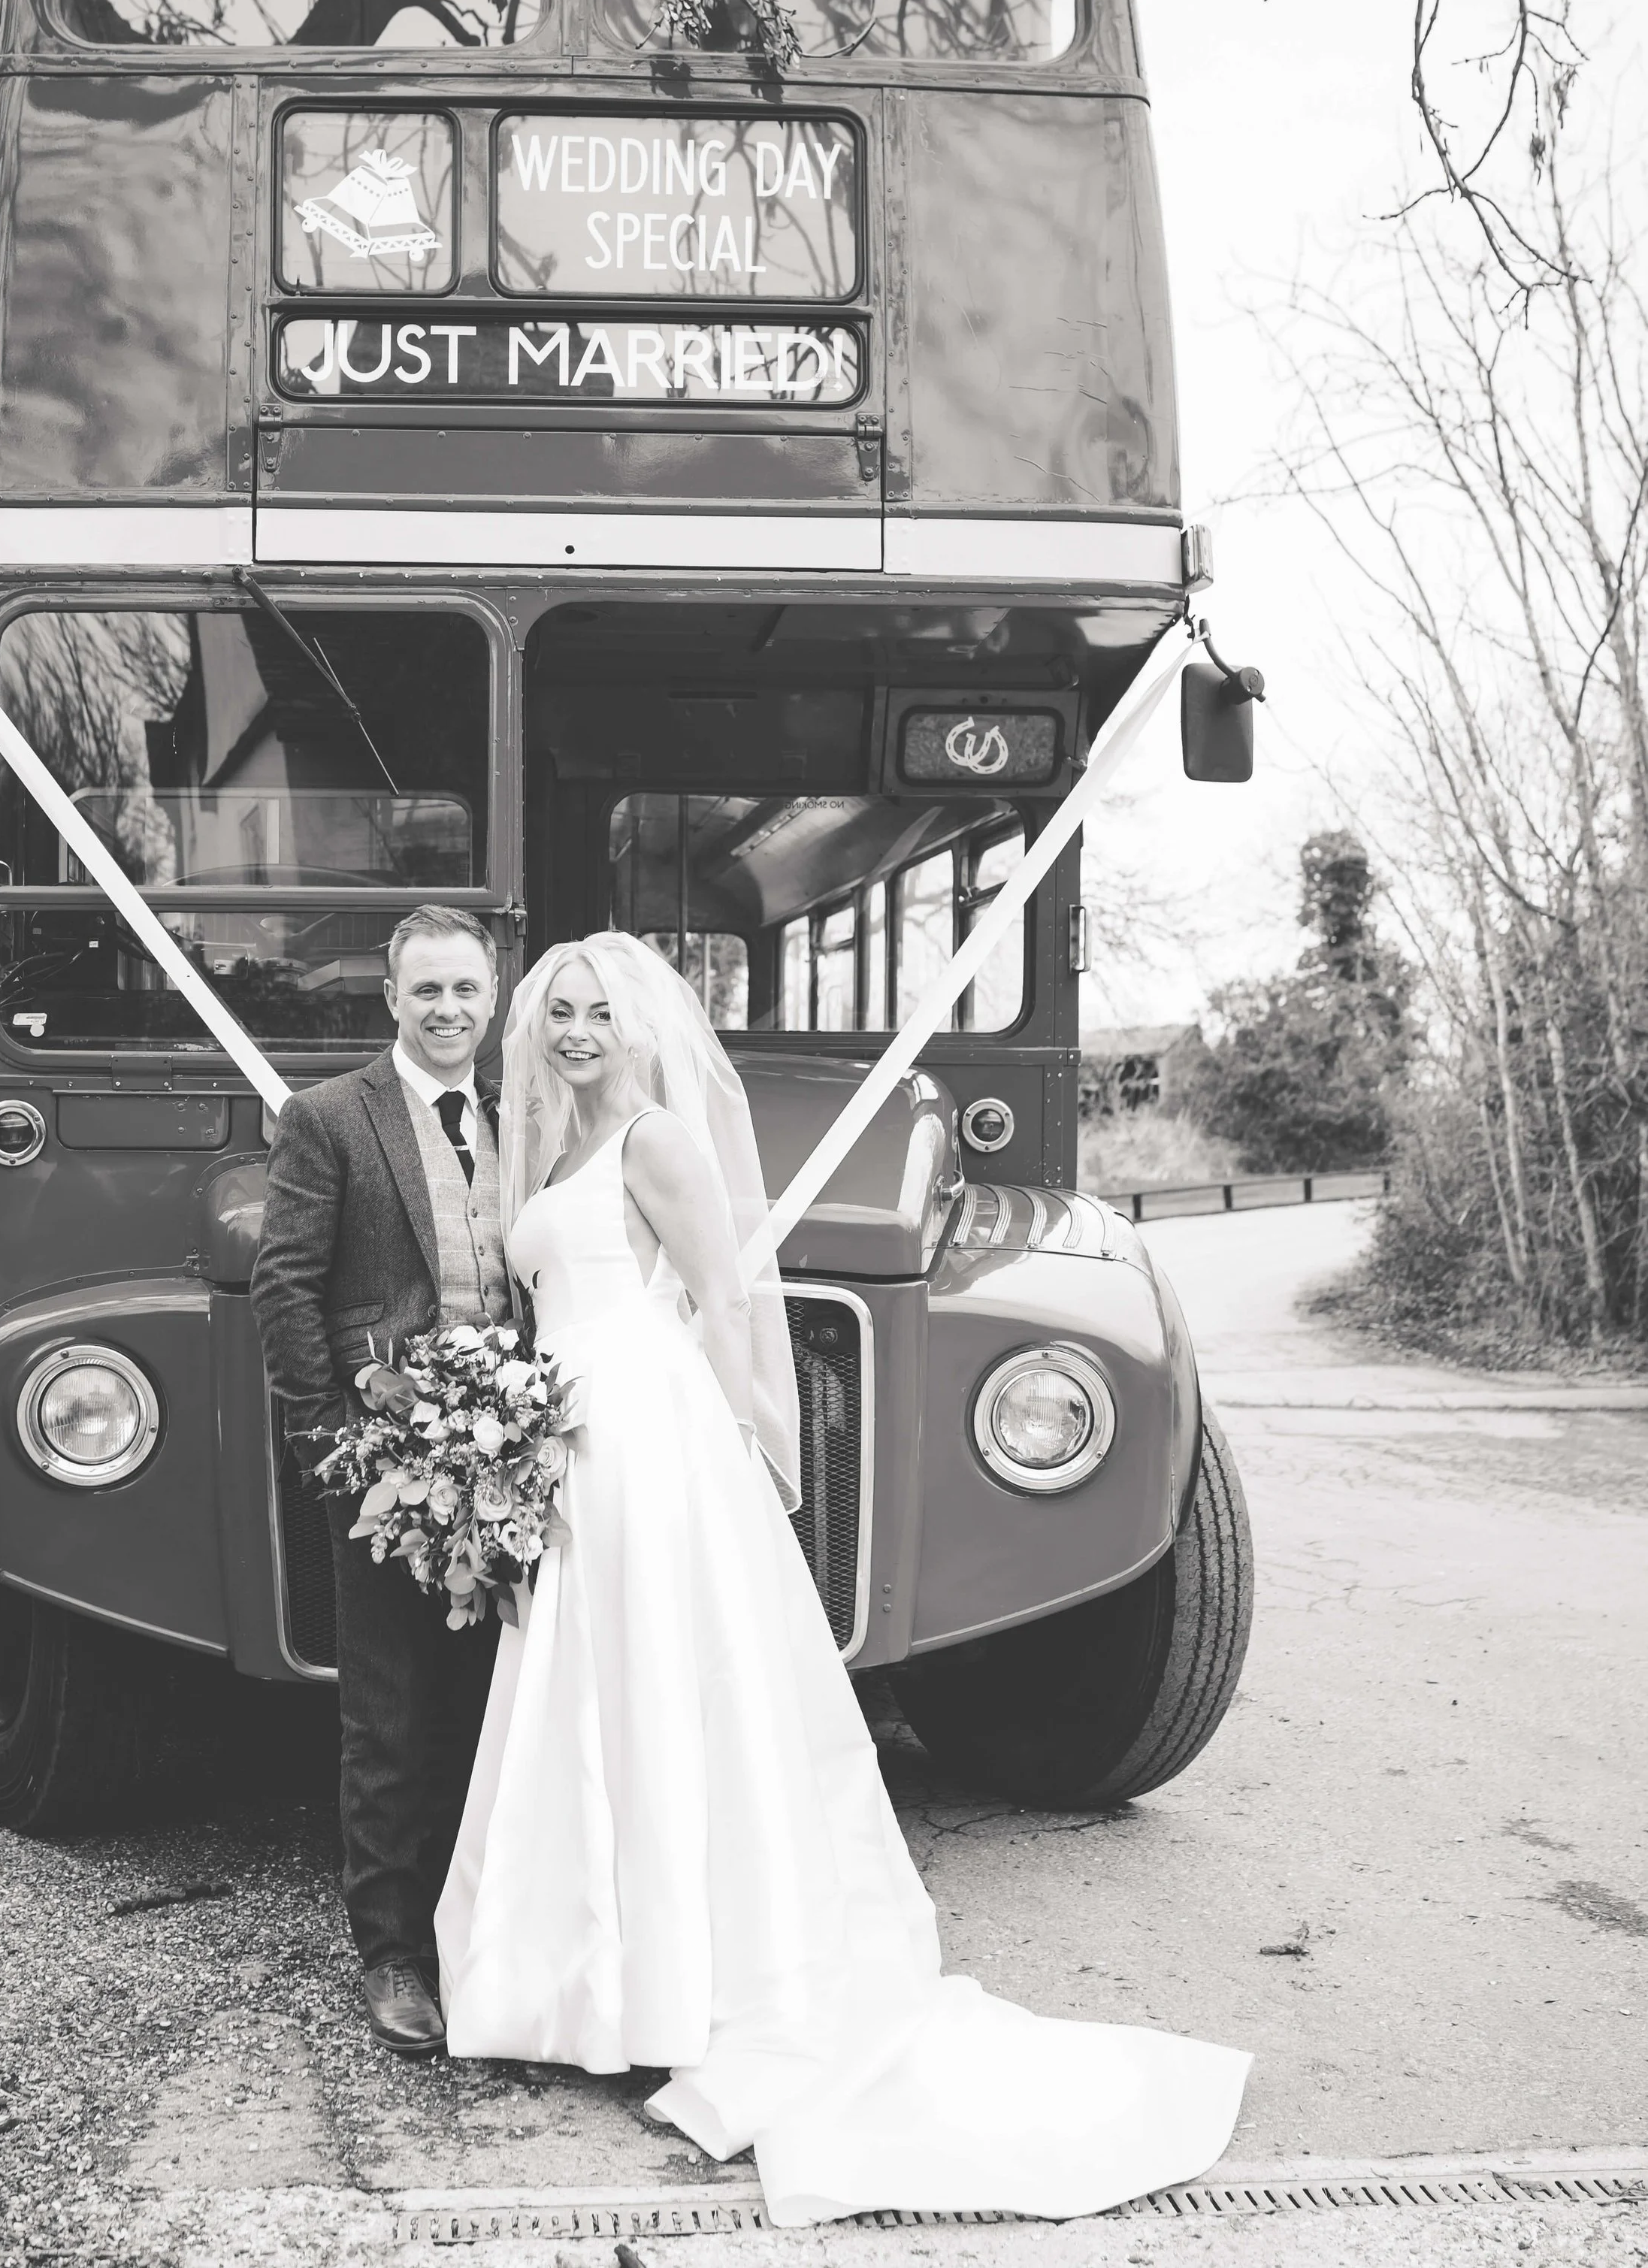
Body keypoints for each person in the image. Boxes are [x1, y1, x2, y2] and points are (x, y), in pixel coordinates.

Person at [434, 932, 1250, 2226]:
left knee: (661, 1689)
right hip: (567, 1446)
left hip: (644, 1438)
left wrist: (753, 1447)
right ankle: (586, 1976)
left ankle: (686, 1988)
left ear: (641, 1028)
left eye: (600, 1013)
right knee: (585, 1698)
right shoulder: (555, 1145)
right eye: (561, 1014)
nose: (578, 1031)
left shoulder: (655, 1140)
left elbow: (725, 1295)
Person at [251, 904, 508, 2058]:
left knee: (498, 1709)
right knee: (390, 1714)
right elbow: (286, 1290)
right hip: (385, 1464)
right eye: (427, 992)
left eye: (466, 990)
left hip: (515, 1462)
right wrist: (329, 1447)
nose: (448, 1010)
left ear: (491, 998)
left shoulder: (521, 1113)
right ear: (390, 1000)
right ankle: (393, 1956)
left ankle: (484, 1935)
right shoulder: (329, 1120)